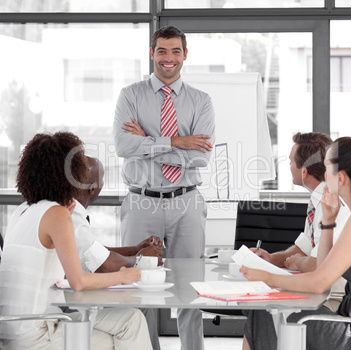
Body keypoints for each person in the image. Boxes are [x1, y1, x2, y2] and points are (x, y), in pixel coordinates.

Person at [241, 136, 351, 350]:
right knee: (267, 312)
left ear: (341, 178)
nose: (324, 176)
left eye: (327, 168)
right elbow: (323, 267)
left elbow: (319, 283)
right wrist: (328, 220)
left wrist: (267, 277)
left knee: (267, 310)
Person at [0, 132, 152, 350]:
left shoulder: (23, 211)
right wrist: (123, 276)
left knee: (126, 325)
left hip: (12, 330)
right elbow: (78, 281)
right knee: (124, 329)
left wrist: (64, 220)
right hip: (35, 335)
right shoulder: (56, 215)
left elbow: (52, 271)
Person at [113, 25, 215, 350]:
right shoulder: (131, 95)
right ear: (152, 53)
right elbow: (122, 145)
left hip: (186, 202)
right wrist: (177, 141)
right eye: (161, 51)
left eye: (175, 51)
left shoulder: (201, 101)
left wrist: (148, 140)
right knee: (137, 285)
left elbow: (200, 159)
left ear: (185, 55)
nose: (168, 58)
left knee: (190, 287)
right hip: (141, 202)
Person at [72, 155, 163, 350]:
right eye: (103, 179)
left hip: (70, 297)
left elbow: (95, 251)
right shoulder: (70, 217)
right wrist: (139, 259)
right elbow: (103, 263)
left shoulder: (69, 213)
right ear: (93, 189)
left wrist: (135, 249)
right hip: (69, 304)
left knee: (140, 303)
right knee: (138, 306)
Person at [251, 132, 350, 311]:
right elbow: (304, 246)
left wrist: (297, 263)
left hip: (333, 298)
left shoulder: (332, 203)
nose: (288, 166)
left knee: (262, 312)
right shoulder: (317, 200)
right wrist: (271, 259)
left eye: (290, 162)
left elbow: (318, 263)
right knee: (260, 312)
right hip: (317, 292)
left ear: (304, 171)